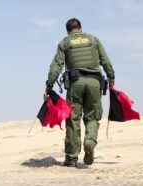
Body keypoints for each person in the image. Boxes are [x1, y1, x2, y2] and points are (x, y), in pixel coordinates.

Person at [44, 18, 115, 167]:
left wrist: (49, 86)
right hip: (95, 83)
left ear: (68, 31)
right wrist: (111, 80)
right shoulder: (94, 40)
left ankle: (71, 158)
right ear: (81, 29)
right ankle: (89, 141)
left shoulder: (65, 42)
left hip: (75, 84)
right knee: (93, 116)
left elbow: (56, 65)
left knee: (73, 120)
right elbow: (106, 61)